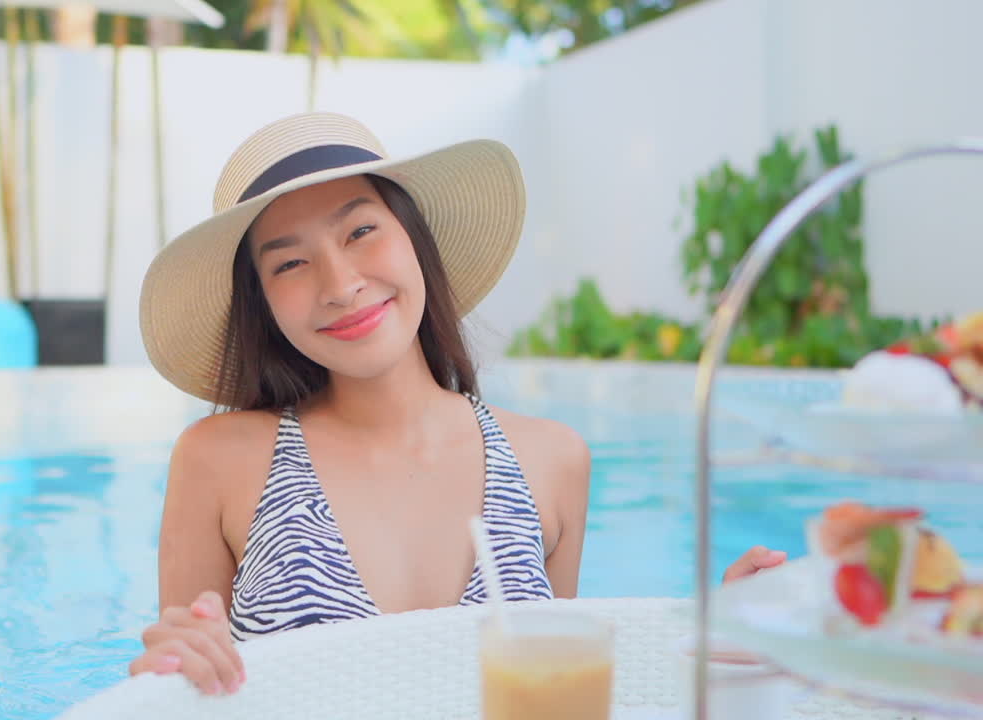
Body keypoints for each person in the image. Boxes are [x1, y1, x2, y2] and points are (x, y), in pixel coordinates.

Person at [127, 112, 786, 696]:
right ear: (264, 305)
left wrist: (701, 642)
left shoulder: (551, 461)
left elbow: (554, 694)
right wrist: (175, 661)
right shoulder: (220, 460)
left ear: (416, 237)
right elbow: (179, 695)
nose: (341, 283)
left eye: (360, 230)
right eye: (289, 265)